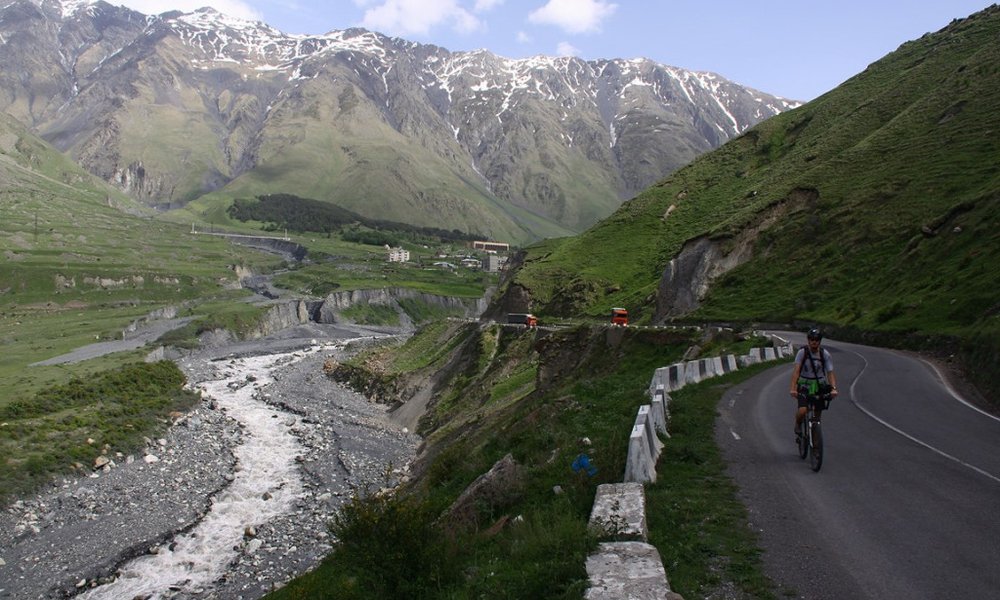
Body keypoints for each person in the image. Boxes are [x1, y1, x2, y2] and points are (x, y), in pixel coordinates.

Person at [788, 328, 838, 439]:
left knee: (816, 418)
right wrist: (793, 388)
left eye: (816, 339)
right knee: (803, 410)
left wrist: (833, 388)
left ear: (820, 341)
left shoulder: (825, 354)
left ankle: (816, 446)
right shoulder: (802, 352)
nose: (814, 341)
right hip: (805, 385)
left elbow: (830, 373)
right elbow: (796, 371)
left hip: (819, 386)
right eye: (811, 339)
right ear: (808, 340)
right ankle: (798, 423)